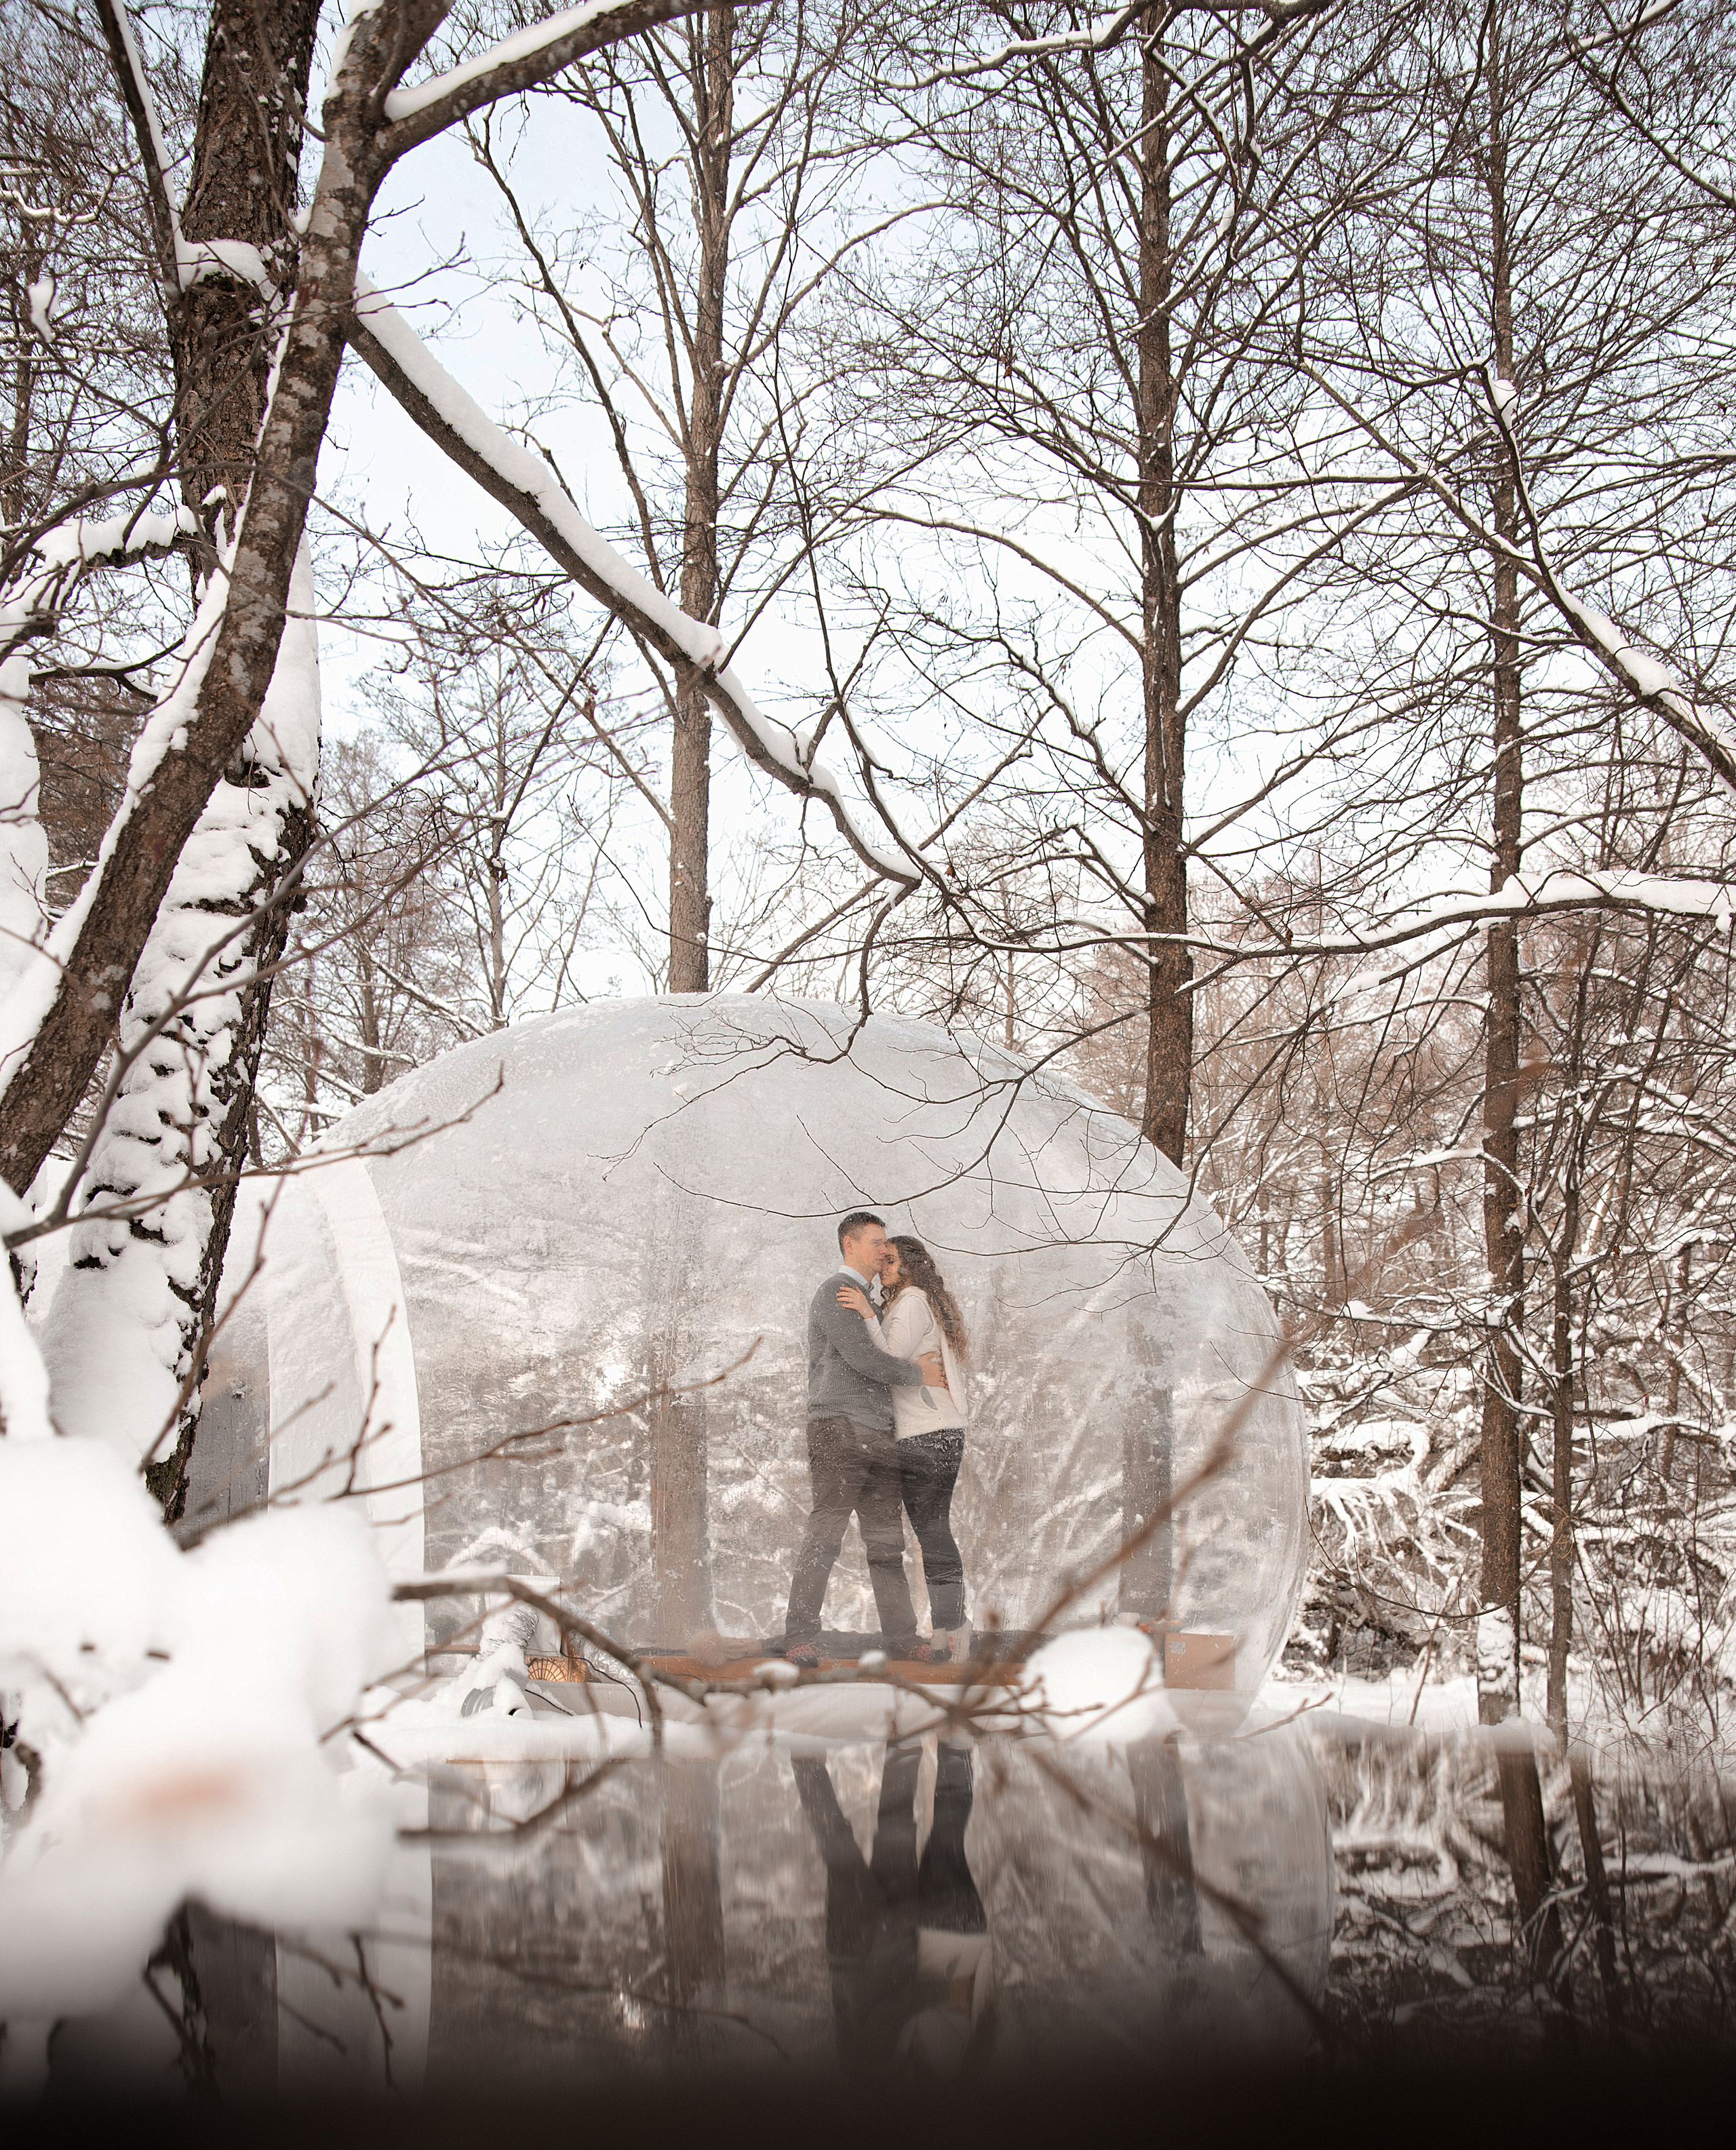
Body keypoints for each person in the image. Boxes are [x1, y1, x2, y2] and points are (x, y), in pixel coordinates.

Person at [782, 1211, 952, 1668]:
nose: (883, 1251)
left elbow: (880, 1352)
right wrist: (922, 1374)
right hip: (838, 1428)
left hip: (878, 1435)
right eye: (875, 1243)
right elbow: (864, 1359)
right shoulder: (836, 1293)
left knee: (886, 1544)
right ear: (849, 1244)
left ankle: (900, 1637)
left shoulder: (867, 1300)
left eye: (885, 1245)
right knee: (826, 1533)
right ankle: (799, 1636)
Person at [837, 1234, 972, 1663]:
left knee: (931, 1529)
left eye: (892, 1260)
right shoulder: (907, 1302)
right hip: (927, 1431)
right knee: (932, 1529)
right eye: (883, 1259)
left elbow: (891, 1357)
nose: (884, 1266)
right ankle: (951, 1627)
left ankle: (950, 1629)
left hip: (929, 1432)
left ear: (911, 1267)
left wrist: (864, 1314)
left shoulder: (912, 1299)